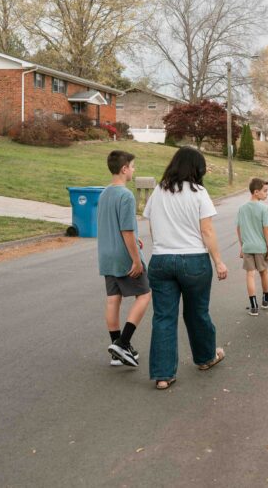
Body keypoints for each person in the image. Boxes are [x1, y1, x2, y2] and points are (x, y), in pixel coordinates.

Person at [144, 147, 228, 390]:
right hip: (194, 260)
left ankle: (163, 375)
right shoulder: (199, 193)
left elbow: (152, 226)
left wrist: (162, 246)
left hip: (161, 260)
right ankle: (205, 357)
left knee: (163, 317)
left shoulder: (158, 192)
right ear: (196, 168)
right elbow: (207, 230)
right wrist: (219, 261)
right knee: (197, 312)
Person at [98, 150, 151, 368]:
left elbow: (111, 226)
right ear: (124, 169)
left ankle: (116, 351)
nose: (134, 170)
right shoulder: (126, 196)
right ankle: (123, 342)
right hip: (124, 256)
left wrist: (134, 239)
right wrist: (136, 259)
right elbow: (126, 230)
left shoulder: (104, 194)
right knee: (144, 295)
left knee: (113, 299)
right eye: (132, 166)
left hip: (106, 254)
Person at [236, 177, 268, 316]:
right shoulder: (265, 208)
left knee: (250, 275)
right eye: (265, 191)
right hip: (261, 247)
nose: (266, 194)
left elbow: (238, 228)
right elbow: (267, 229)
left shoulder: (242, 208)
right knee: (264, 272)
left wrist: (242, 246)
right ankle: (266, 298)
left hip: (247, 247)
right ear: (256, 192)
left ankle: (253, 305)